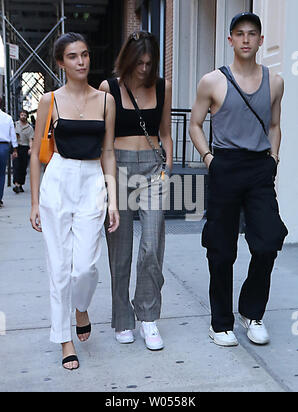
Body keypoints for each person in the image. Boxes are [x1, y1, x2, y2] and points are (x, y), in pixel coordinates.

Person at [189, 13, 288, 347]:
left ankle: (251, 310)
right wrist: (209, 158)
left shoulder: (275, 82)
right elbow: (195, 124)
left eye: (252, 34)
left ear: (261, 41)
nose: (246, 40)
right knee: (220, 247)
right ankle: (220, 322)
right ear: (230, 40)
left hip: (259, 167)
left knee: (269, 239)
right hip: (225, 166)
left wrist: (273, 159)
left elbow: (274, 125)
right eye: (239, 34)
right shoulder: (212, 82)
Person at [30, 32, 119, 370]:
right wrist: (35, 202)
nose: (81, 61)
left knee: (84, 266)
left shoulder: (105, 100)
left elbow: (108, 150)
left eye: (84, 54)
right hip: (58, 180)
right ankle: (64, 338)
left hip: (92, 181)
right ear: (61, 63)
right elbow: (37, 155)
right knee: (59, 267)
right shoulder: (49, 101)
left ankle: (81, 307)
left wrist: (112, 198)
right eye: (73, 56)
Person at [99, 30, 173, 351]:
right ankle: (122, 317)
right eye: (139, 62)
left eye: (149, 62)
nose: (144, 68)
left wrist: (167, 170)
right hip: (119, 168)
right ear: (127, 59)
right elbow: (106, 142)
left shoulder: (162, 86)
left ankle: (148, 316)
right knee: (120, 249)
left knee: (153, 243)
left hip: (153, 169)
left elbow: (166, 133)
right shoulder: (109, 88)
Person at [0, 96, 18, 208]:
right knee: (1, 173)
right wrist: (15, 149)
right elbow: (13, 135)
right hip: (4, 147)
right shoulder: (7, 118)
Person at [13, 109, 34, 193]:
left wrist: (31, 148)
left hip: (25, 148)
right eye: (22, 115)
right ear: (19, 115)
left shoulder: (29, 128)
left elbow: (31, 139)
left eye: (24, 115)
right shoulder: (15, 124)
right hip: (16, 147)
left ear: (27, 116)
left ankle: (20, 184)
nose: (23, 117)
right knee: (16, 165)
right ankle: (16, 184)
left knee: (23, 167)